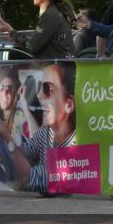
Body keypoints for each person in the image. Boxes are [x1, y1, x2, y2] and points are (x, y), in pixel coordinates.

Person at [11, 61, 76, 195]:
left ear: (68, 105)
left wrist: (5, 138)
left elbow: (47, 180)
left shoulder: (76, 141)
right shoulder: (46, 132)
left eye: (48, 89)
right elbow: (25, 153)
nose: (39, 95)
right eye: (40, 87)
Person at [0, 0, 74, 60]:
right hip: (61, 69)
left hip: (56, 70)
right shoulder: (58, 12)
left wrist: (12, 32)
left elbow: (32, 46)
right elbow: (38, 42)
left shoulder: (50, 15)